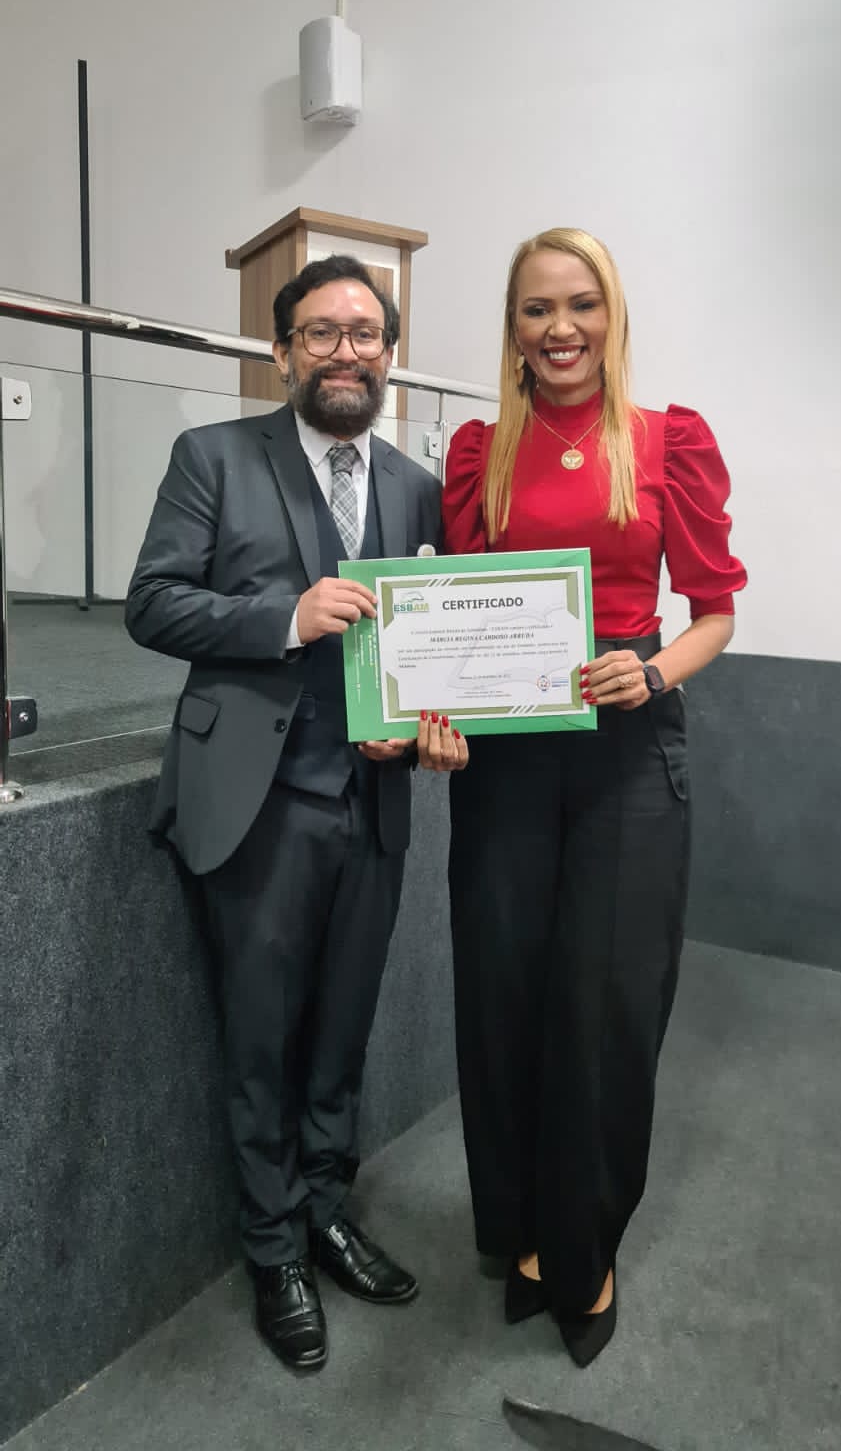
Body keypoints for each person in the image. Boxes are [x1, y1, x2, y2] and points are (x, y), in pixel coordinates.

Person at [126, 254, 466, 1372]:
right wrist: (285, 615)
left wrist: (427, 721)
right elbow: (152, 603)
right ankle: (273, 1249)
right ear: (282, 353)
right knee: (263, 1037)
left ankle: (326, 1208)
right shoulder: (214, 457)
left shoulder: (417, 486)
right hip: (258, 803)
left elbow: (425, 640)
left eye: (365, 334)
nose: (344, 352)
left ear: (389, 354)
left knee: (343, 1029)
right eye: (321, 333)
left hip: (374, 801)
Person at [442, 227, 747, 1368]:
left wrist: (654, 670)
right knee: (505, 997)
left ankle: (585, 1250)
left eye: (581, 304)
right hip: (507, 758)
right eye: (536, 309)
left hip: (629, 749)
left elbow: (715, 612)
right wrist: (433, 714)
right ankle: (522, 1228)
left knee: (606, 1008)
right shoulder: (480, 451)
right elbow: (454, 613)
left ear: (612, 316)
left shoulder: (669, 441)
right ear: (513, 327)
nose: (560, 327)